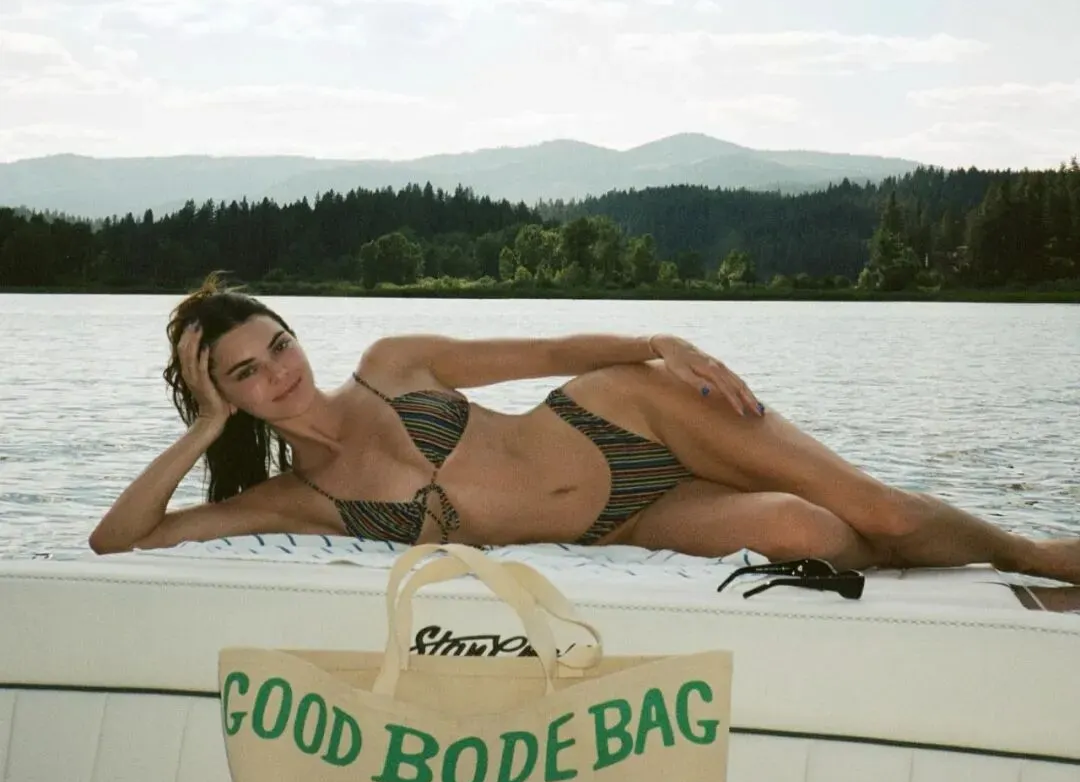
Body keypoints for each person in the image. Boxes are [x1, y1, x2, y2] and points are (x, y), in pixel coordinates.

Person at [90, 276, 1080, 582]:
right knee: (810, 533)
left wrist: (655, 342)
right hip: (620, 524)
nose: (279, 372)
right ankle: (962, 561)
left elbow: (548, 349)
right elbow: (122, 539)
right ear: (224, 396)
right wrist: (202, 430)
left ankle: (1034, 554)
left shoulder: (393, 363)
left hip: (624, 414)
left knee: (874, 512)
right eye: (244, 374)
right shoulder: (292, 499)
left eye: (278, 343)